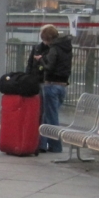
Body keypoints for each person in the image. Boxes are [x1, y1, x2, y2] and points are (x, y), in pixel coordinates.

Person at [35, 24, 72, 153]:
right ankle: (42, 144)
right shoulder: (67, 47)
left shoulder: (54, 49)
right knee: (50, 115)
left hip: (51, 84)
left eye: (44, 40)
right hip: (63, 85)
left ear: (48, 39)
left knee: (51, 117)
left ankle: (56, 146)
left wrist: (40, 60)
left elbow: (49, 66)